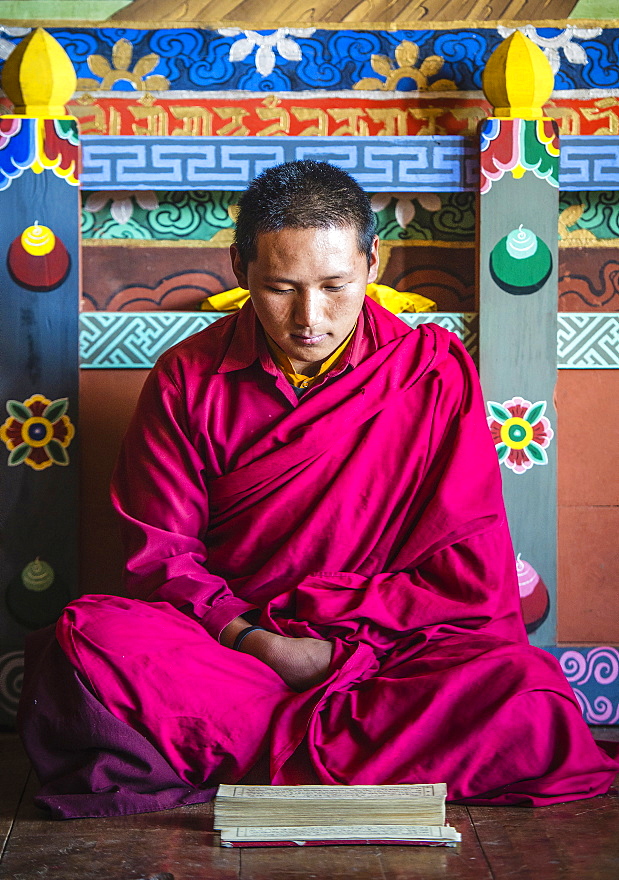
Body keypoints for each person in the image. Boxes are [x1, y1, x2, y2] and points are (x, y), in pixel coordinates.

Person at [19, 160, 617, 818]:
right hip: (237, 653)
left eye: (335, 285)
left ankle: (229, 755)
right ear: (238, 265)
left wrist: (336, 649)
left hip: (385, 654)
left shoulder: (430, 373)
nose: (310, 317)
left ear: (372, 262)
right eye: (279, 288)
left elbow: (466, 570)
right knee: (90, 638)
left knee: (524, 691)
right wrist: (258, 641)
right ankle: (356, 760)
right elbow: (160, 556)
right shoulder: (187, 376)